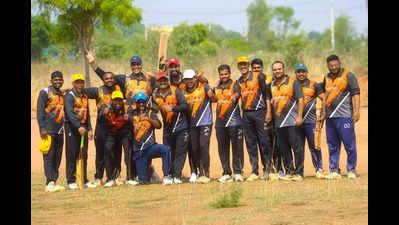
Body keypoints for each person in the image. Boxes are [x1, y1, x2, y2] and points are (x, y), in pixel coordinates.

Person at [86, 51, 159, 182]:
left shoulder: (149, 78)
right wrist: (92, 63)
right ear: (131, 66)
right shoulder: (125, 79)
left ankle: (148, 171)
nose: (135, 66)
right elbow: (106, 77)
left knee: (146, 145)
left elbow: (163, 82)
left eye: (138, 64)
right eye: (133, 64)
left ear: (141, 65)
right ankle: (121, 175)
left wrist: (162, 67)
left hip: (144, 116)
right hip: (129, 118)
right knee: (131, 148)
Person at [83, 72, 136, 186]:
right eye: (107, 78)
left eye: (111, 78)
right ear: (103, 80)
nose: (109, 80)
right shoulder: (98, 91)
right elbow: (82, 90)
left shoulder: (120, 90)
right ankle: (98, 177)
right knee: (100, 153)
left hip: (115, 127)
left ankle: (115, 176)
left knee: (116, 153)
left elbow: (132, 99)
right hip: (102, 127)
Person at [319, 55, 360, 179]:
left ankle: (351, 169)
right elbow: (324, 97)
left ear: (339, 63)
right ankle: (334, 170)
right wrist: (324, 113)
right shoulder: (326, 77)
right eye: (331, 65)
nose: (334, 67)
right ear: (327, 66)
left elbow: (356, 94)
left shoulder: (348, 75)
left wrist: (356, 111)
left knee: (349, 144)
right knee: (332, 144)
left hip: (345, 116)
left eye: (336, 65)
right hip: (330, 118)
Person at [236, 56, 273, 182]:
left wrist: (268, 112)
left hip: (260, 112)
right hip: (246, 114)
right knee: (250, 143)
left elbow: (267, 94)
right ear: (238, 67)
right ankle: (254, 171)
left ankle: (267, 169)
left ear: (248, 65)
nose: (243, 67)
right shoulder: (239, 80)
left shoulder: (259, 77)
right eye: (240, 65)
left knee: (264, 142)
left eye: (245, 64)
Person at [152, 71, 190, 184]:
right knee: (168, 152)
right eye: (160, 80)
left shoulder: (175, 91)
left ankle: (177, 176)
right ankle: (168, 175)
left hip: (181, 127)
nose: (163, 82)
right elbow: (153, 110)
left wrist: (173, 109)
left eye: (164, 80)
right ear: (157, 82)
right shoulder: (155, 95)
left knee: (180, 152)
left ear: (168, 80)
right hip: (167, 128)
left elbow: (185, 105)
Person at [270, 61, 305, 181]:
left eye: (279, 69)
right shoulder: (271, 84)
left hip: (292, 122)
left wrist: (299, 117)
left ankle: (299, 173)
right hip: (279, 123)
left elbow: (301, 100)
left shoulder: (293, 83)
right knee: (284, 149)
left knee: (297, 148)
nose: (277, 71)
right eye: (275, 69)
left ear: (284, 69)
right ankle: (289, 171)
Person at [210, 64, 244, 183]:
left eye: (226, 74)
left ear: (229, 73)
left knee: (237, 148)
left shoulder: (235, 84)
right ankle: (226, 173)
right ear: (219, 75)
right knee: (223, 149)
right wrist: (212, 93)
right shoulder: (217, 86)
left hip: (234, 122)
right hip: (220, 123)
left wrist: (234, 97)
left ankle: (238, 172)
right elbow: (214, 99)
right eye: (221, 74)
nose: (224, 76)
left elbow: (237, 94)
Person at [130, 92, 173, 185]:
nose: (141, 104)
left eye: (143, 102)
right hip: (138, 151)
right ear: (136, 103)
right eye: (139, 102)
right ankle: (150, 171)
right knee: (143, 181)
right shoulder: (131, 115)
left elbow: (159, 125)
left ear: (146, 103)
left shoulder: (150, 113)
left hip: (150, 148)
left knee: (166, 149)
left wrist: (148, 119)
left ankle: (167, 176)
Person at [250, 58, 283, 180]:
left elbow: (269, 97)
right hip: (260, 115)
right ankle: (266, 169)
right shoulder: (250, 81)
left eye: (258, 68)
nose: (256, 70)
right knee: (264, 143)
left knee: (274, 143)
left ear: (262, 68)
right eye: (254, 68)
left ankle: (279, 168)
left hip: (272, 115)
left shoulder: (270, 79)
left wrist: (269, 112)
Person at [64, 74, 96, 189]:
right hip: (72, 129)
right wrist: (78, 126)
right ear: (73, 84)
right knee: (72, 155)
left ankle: (84, 179)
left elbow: (86, 114)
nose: (80, 84)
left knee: (83, 154)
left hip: (83, 129)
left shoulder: (84, 96)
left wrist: (90, 128)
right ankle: (70, 181)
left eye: (81, 82)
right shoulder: (69, 96)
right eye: (77, 82)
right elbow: (70, 114)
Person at [36, 71, 66, 192]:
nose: (58, 81)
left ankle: (54, 181)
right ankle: (49, 182)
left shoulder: (61, 94)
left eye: (60, 79)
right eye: (55, 79)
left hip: (60, 130)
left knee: (57, 157)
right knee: (49, 156)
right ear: (51, 81)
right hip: (48, 130)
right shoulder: (45, 92)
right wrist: (42, 128)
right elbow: (40, 111)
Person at [182, 69, 214, 183]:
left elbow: (214, 99)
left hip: (205, 122)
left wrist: (211, 94)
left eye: (191, 78)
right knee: (194, 148)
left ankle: (206, 172)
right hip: (191, 124)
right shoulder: (183, 92)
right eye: (187, 79)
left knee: (203, 145)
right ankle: (199, 171)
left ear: (195, 78)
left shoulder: (203, 87)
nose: (189, 81)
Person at [294, 64, 326, 179]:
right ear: (295, 73)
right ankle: (299, 172)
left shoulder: (314, 85)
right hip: (297, 122)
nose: (301, 74)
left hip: (311, 121)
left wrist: (324, 113)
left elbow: (324, 98)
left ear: (307, 73)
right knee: (298, 147)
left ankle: (319, 169)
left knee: (314, 145)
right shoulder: (293, 85)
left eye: (303, 72)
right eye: (298, 72)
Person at [98, 90, 135, 187]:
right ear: (111, 101)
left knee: (128, 152)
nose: (118, 103)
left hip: (124, 134)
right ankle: (110, 179)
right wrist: (103, 114)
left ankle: (130, 178)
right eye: (115, 100)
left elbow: (134, 120)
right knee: (107, 151)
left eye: (120, 100)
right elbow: (99, 119)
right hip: (111, 133)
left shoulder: (127, 108)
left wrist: (129, 119)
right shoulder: (105, 107)